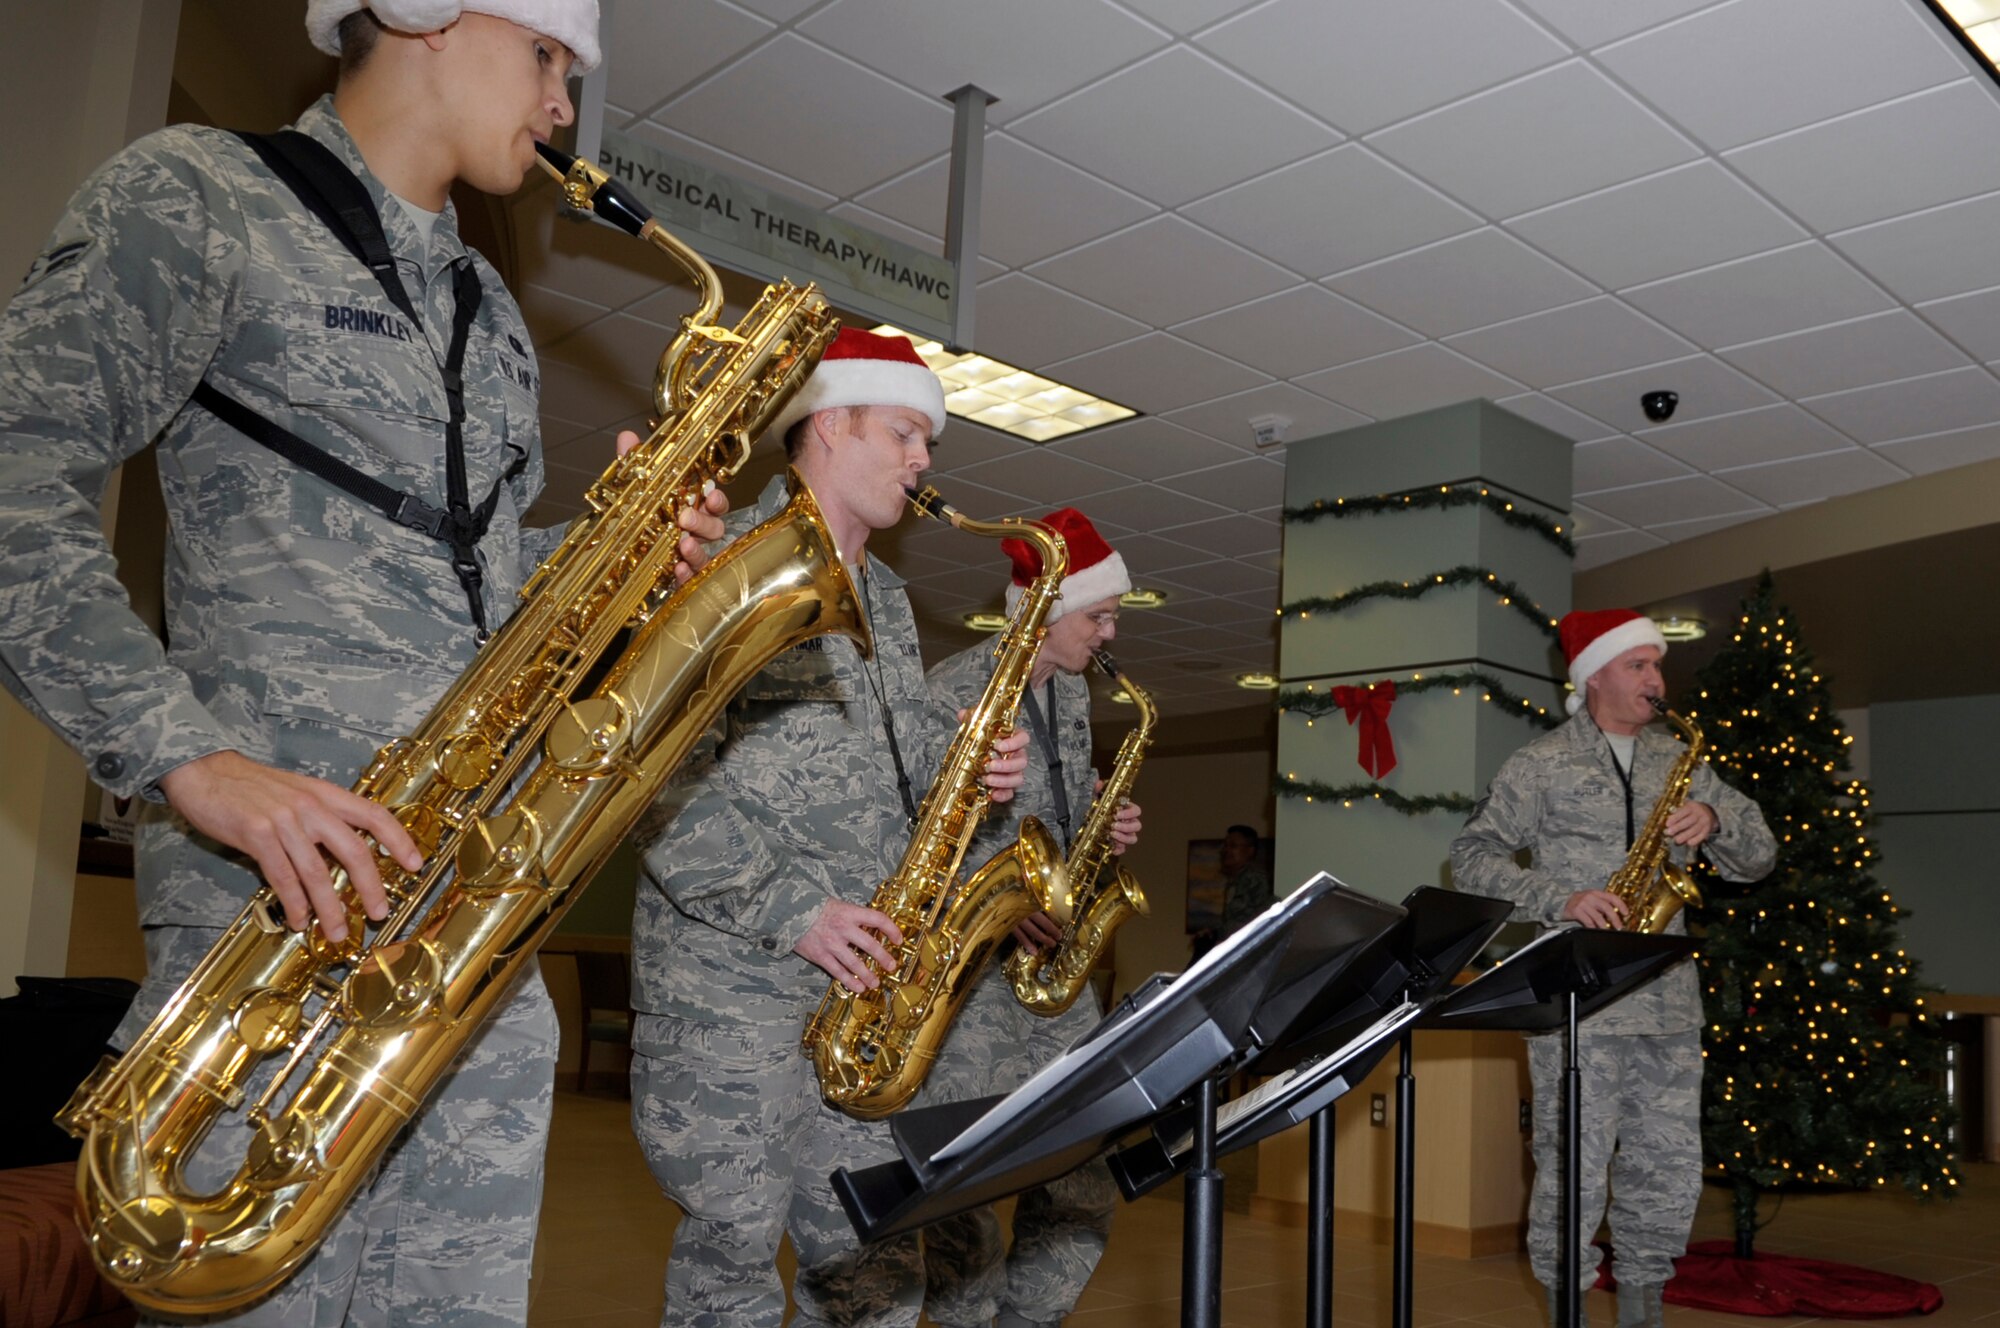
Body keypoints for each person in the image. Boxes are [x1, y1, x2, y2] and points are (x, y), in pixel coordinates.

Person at [0, 3, 730, 1323]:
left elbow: (478, 584)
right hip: (275, 925)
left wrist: (610, 555)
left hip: (465, 926)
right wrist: (187, 758)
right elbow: (11, 480)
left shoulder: (495, 314)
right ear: (427, 18)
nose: (565, 106)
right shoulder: (197, 195)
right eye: (551, 59)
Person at [627, 327, 1031, 1328]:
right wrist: (794, 908)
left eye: (927, 441)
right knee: (728, 1273)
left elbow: (886, 789)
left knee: (874, 1265)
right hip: (733, 994)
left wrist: (970, 777)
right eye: (903, 431)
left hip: (864, 1002)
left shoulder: (888, 600)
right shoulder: (720, 559)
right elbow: (644, 778)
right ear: (829, 421)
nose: (923, 460)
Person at [1450, 609, 1775, 1328]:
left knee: (1665, 1169)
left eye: (1658, 666)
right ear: (1593, 674)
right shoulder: (1540, 764)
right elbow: (1472, 860)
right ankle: (1568, 1309)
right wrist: (1559, 897)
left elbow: (1761, 856)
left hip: (1666, 1004)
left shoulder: (1682, 762)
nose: (1656, 680)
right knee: (1571, 1170)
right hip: (1577, 1004)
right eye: (1639, 665)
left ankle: (1642, 1310)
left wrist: (1717, 826)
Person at [922, 507, 1144, 1328]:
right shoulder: (955, 690)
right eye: (1100, 614)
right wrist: (1000, 904)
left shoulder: (1077, 695)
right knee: (968, 1203)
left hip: (1055, 974)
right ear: (1046, 613)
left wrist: (1104, 832)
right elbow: (920, 836)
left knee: (1085, 1182)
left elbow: (1050, 821)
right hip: (974, 980)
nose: (1111, 630)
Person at [1191, 823, 1270, 958]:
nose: (1226, 850)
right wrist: (1214, 932)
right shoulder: (1234, 881)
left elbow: (1261, 920)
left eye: (1233, 846)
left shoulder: (1256, 880)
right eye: (1226, 845)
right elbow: (1234, 919)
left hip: (1245, 954)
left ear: (1250, 850)